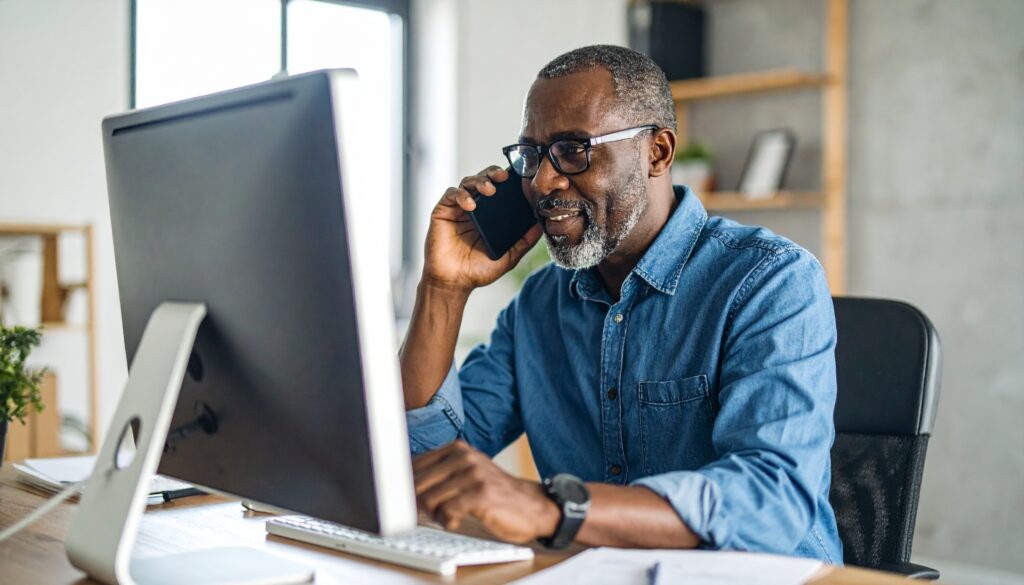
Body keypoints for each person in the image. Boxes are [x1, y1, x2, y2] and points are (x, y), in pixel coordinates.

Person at [400, 45, 841, 562]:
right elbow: (417, 464)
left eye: (573, 150)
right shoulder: (539, 305)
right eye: (532, 156)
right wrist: (443, 288)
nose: (542, 182)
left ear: (657, 152)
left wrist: (554, 508)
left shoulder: (770, 282)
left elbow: (771, 500)